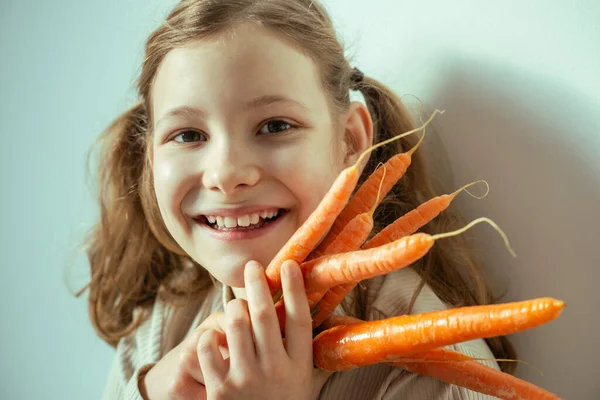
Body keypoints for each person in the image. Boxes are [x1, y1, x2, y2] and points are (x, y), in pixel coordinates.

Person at [79, 0, 517, 398]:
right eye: (188, 135)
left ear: (349, 140)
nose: (227, 174)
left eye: (274, 126)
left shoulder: (430, 366)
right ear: (152, 158)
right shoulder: (165, 320)